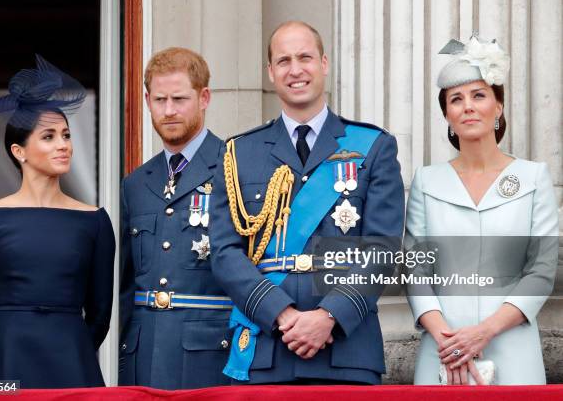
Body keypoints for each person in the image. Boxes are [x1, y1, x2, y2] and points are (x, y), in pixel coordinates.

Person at [209, 21, 404, 384]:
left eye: (305, 57)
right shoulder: (239, 153)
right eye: (283, 60)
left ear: (324, 63)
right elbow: (224, 252)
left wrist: (328, 316)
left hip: (346, 352)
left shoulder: (373, 146)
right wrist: (281, 315)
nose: (295, 70)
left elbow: (383, 250)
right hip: (267, 348)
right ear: (270, 72)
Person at [405, 36, 558, 385]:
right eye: (456, 99)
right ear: (447, 114)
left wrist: (483, 333)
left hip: (511, 345)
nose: (468, 106)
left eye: (479, 95)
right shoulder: (427, 182)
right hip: (442, 349)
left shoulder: (533, 177)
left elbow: (541, 270)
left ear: (498, 106)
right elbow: (416, 271)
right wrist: (450, 341)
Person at [0, 55, 115, 388]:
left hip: (72, 361)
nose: (64, 146)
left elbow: (101, 315)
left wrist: (74, 351)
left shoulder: (95, 221)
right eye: (49, 137)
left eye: (66, 135)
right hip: (0, 361)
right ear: (19, 151)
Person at [118, 47, 232, 389]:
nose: (168, 111)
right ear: (147, 100)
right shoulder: (136, 183)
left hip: (209, 356)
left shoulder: (235, 167)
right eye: (159, 99)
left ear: (204, 97)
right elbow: (126, 287)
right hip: (143, 355)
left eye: (179, 99)